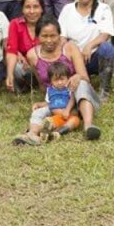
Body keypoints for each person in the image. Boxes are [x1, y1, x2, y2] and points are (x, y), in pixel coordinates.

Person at [13, 17, 102, 145]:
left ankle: (88, 126)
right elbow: (43, 86)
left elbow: (85, 78)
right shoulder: (32, 55)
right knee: (39, 113)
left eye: (53, 36)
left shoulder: (70, 48)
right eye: (44, 36)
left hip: (75, 99)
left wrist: (77, 76)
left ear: (59, 36)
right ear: (37, 36)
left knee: (81, 83)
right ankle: (32, 134)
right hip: (54, 101)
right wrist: (45, 103)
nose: (49, 40)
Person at [58, 0, 114, 100]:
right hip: (72, 58)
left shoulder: (103, 9)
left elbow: (105, 34)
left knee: (107, 48)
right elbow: (62, 37)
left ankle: (104, 90)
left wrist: (89, 46)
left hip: (92, 57)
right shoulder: (67, 9)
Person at [4, 0, 44, 92]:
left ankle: (40, 84)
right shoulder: (15, 24)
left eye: (36, 7)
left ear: (42, 8)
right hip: (25, 67)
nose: (31, 11)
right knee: (16, 68)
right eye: (27, 7)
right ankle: (24, 84)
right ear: (22, 9)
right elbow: (11, 51)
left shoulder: (48, 24)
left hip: (43, 65)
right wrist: (9, 75)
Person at [38, 62, 81, 142]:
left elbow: (72, 99)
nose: (60, 82)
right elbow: (48, 102)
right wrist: (38, 104)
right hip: (57, 115)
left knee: (75, 120)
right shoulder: (49, 90)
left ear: (68, 78)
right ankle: (48, 128)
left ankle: (58, 132)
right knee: (54, 121)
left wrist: (67, 111)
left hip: (68, 114)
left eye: (62, 79)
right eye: (56, 80)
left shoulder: (69, 88)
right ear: (51, 81)